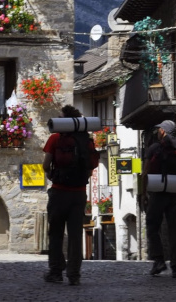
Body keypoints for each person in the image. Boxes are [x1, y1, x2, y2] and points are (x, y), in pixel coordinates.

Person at [42, 105, 99, 286]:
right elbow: (90, 167)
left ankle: (56, 272)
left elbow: (46, 165)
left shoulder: (55, 138)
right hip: (79, 194)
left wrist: (52, 175)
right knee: (75, 235)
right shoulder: (86, 141)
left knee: (56, 233)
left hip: (59, 192)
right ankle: (74, 275)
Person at [141, 119, 176, 278]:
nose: (158, 132)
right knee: (175, 230)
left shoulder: (154, 148)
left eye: (159, 130)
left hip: (158, 192)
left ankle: (158, 261)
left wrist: (143, 193)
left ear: (163, 131)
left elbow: (145, 172)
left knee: (152, 226)